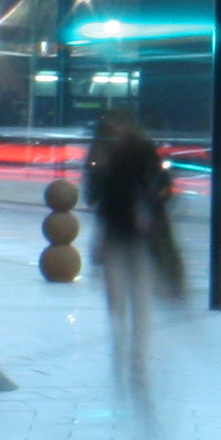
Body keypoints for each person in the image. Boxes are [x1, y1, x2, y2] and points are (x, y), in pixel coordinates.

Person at [83, 106, 173, 386]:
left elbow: (164, 187)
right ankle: (122, 349)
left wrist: (149, 206)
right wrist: (97, 169)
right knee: (117, 301)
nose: (118, 130)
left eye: (120, 125)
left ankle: (137, 357)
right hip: (114, 236)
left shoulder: (143, 151)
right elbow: (92, 197)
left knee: (139, 300)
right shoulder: (102, 152)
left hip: (140, 239)